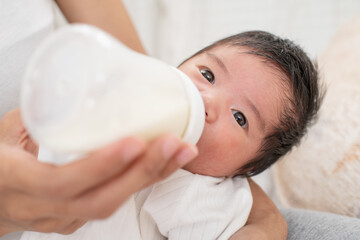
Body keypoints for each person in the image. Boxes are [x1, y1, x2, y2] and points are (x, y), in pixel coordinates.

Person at [1, 0, 289, 240]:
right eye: (208, 75)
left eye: (239, 117)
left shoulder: (209, 197)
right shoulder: (113, 117)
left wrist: (263, 220)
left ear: (247, 167)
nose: (207, 102)